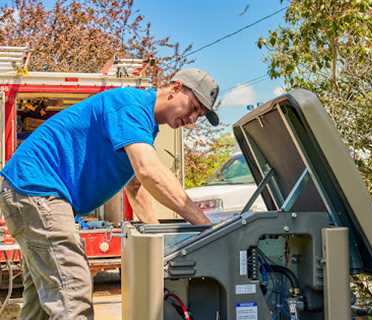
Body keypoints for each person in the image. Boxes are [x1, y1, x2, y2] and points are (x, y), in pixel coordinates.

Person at [0, 68, 219, 319]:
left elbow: (136, 186)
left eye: (199, 116)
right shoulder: (130, 106)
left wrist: (160, 246)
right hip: (37, 191)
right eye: (193, 108)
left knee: (41, 302)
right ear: (176, 87)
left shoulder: (143, 125)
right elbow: (149, 172)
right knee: (72, 294)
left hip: (30, 192)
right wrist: (205, 227)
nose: (192, 119)